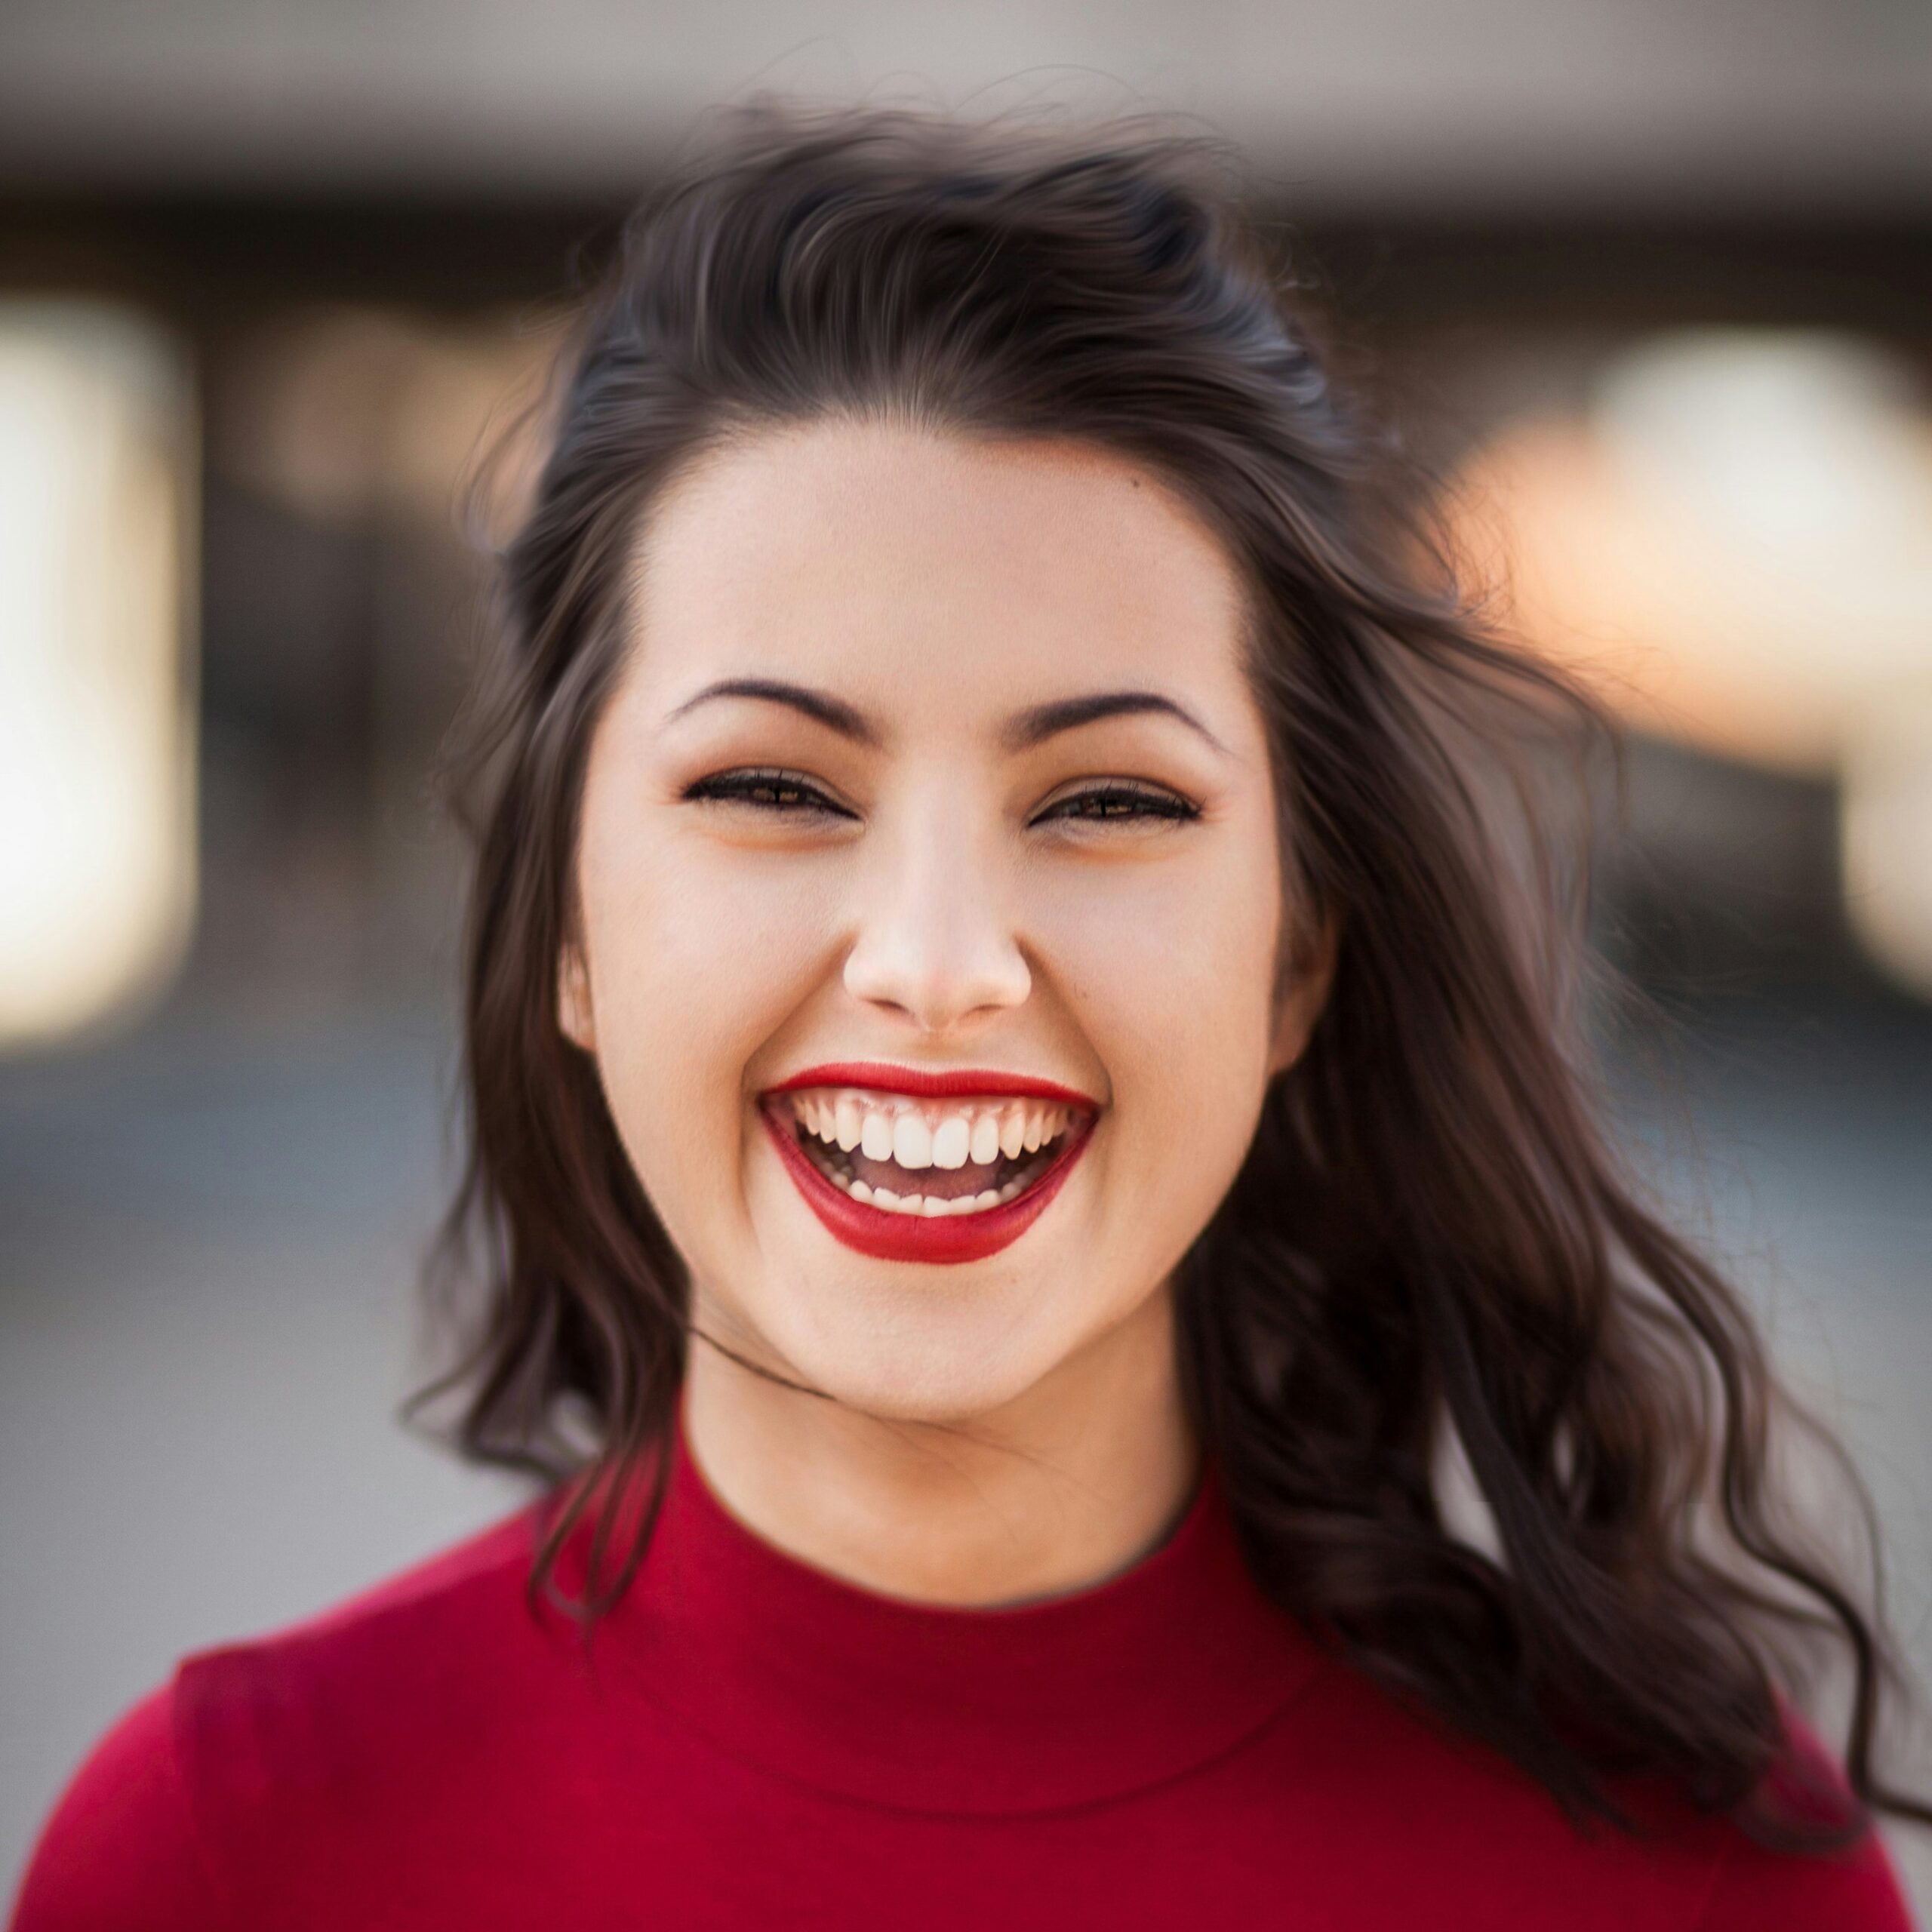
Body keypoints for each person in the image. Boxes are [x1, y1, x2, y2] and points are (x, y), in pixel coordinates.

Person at [9, 106, 1924, 1930]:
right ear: (567, 931)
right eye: (772, 787)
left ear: (1297, 956)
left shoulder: (1692, 1878)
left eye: (1106, 801)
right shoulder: (222, 1858)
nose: (938, 962)